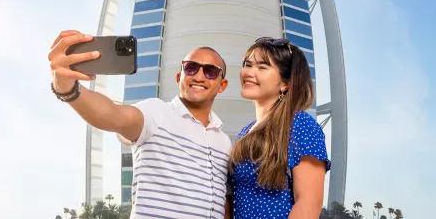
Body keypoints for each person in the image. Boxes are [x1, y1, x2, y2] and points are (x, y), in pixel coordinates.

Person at [48, 30, 232, 219]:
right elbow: (113, 115)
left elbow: (224, 201)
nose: (199, 76)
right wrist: (66, 88)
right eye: (191, 67)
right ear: (179, 78)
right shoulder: (156, 112)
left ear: (222, 85)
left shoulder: (224, 142)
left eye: (210, 71)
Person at [229, 37, 330, 219]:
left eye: (262, 67)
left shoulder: (301, 125)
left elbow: (308, 205)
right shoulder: (244, 132)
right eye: (248, 64)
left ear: (285, 84)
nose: (249, 72)